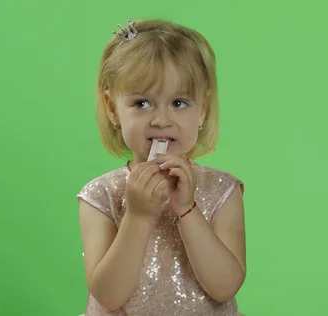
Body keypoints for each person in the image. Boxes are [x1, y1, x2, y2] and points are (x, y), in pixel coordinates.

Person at [77, 18, 247, 316]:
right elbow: (108, 295)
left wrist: (187, 209)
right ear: (112, 109)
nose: (161, 119)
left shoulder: (222, 191)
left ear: (203, 110)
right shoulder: (100, 195)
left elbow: (225, 286)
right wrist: (138, 216)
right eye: (142, 103)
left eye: (179, 103)